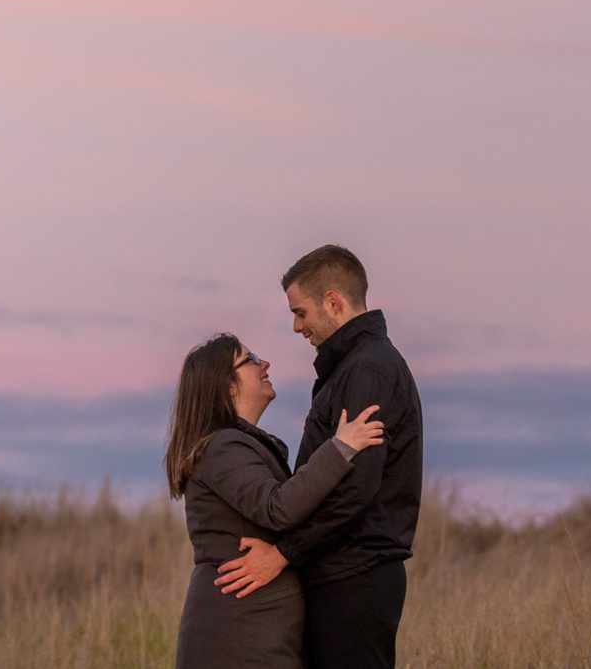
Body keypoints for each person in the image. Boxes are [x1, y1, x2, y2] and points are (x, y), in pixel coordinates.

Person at [214, 245, 423, 669]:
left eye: (301, 312)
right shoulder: (352, 367)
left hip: (355, 576)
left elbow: (355, 488)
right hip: (342, 572)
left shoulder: (367, 370)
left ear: (333, 301)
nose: (296, 326)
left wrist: (284, 553)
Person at [167, 331, 384, 669]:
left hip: (254, 628)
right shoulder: (223, 448)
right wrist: (341, 447)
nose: (264, 363)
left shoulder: (236, 445)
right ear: (227, 386)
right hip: (237, 634)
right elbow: (277, 508)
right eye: (250, 360)